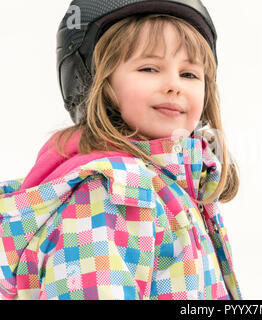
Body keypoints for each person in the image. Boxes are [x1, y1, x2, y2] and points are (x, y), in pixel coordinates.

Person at [0, 0, 241, 300]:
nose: (174, 85)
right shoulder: (109, 193)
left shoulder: (176, 187)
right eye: (149, 68)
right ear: (93, 81)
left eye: (189, 74)